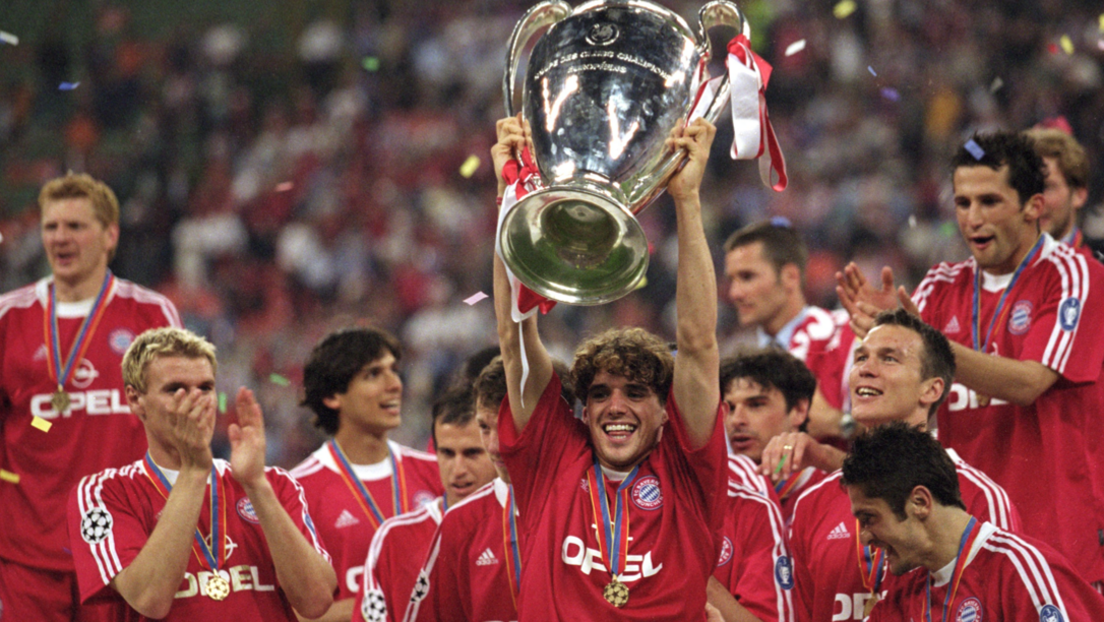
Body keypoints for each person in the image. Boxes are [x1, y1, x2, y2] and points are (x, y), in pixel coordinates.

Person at [837, 130, 1104, 585]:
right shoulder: (940, 284)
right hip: (961, 536)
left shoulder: (1074, 274)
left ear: (1033, 207)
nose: (973, 219)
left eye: (990, 201)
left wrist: (922, 340)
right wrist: (884, 347)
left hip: (1055, 539)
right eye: (963, 203)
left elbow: (1028, 384)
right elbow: (905, 403)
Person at [490, 115, 726, 620]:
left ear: (667, 411)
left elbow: (699, 343)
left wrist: (686, 200)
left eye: (635, 392)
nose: (614, 406)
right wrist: (509, 196)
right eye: (599, 394)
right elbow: (514, 337)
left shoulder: (687, 470)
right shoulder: (554, 456)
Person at [0, 172, 181, 622]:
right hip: (29, 555)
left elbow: (181, 425)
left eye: (75, 226)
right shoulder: (8, 318)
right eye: (51, 227)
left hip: (125, 548)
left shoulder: (151, 314)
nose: (60, 238)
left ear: (109, 235)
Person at [67, 327, 336, 620]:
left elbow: (316, 601)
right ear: (135, 400)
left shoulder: (274, 484)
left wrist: (256, 485)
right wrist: (194, 470)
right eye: (175, 389)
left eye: (205, 388)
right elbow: (149, 598)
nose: (197, 400)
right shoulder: (104, 494)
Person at [788, 309, 1020, 622]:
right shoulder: (811, 505)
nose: (866, 369)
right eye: (860, 358)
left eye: (889, 358)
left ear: (932, 389)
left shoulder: (980, 497)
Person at [842, 422, 1104, 621]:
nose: (864, 536)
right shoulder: (905, 595)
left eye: (869, 518)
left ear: (920, 502)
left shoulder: (1020, 570)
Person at [290, 327, 444, 622]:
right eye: (373, 374)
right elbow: (292, 614)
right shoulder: (298, 490)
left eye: (394, 371)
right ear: (333, 396)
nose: (395, 384)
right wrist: (381, 601)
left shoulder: (435, 473)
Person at [405, 356, 574, 622]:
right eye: (484, 427)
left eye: (510, 428)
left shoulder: (598, 505)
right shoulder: (460, 524)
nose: (495, 446)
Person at [357, 384, 497, 622]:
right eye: (447, 453)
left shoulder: (523, 528)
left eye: (472, 453)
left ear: (497, 450)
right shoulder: (395, 539)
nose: (458, 470)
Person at [722, 220, 856, 438]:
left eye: (747, 277)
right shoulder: (732, 360)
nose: (735, 293)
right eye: (732, 280)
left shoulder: (845, 336)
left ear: (790, 277)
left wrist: (837, 423)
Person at [720, 349, 837, 522]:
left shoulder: (835, 489)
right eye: (730, 408)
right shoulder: (718, 493)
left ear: (799, 410)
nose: (736, 420)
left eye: (756, 405)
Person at [1023, 126, 1091, 255]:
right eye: (1025, 187)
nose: (1034, 202)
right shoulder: (992, 268)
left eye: (1046, 187)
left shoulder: (1099, 268)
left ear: (1079, 195)